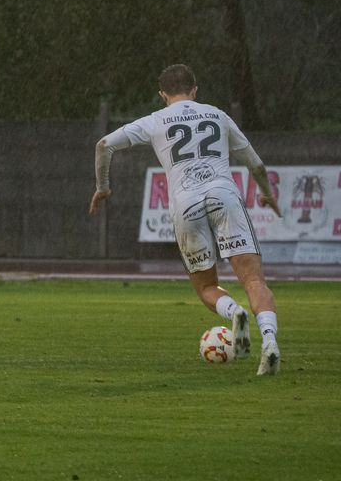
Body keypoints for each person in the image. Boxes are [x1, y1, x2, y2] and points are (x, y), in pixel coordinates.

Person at [89, 64, 282, 375]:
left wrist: (103, 187)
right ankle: (270, 341)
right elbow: (255, 164)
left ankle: (234, 313)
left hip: (185, 203)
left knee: (207, 287)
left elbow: (103, 145)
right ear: (195, 90)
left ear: (163, 95)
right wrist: (266, 192)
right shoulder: (217, 115)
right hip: (223, 196)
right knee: (254, 280)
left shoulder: (155, 120)